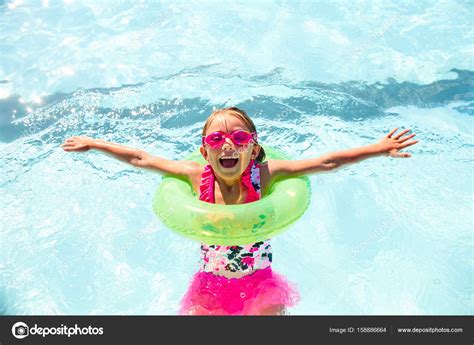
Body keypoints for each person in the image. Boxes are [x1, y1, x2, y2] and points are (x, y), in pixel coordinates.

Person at [62, 107, 419, 315]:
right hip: (210, 285)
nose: (228, 145)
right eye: (216, 140)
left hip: (261, 283)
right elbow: (142, 159)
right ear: (205, 152)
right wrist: (95, 144)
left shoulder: (265, 175)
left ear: (253, 149)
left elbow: (325, 163)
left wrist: (378, 148)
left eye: (240, 139)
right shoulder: (194, 176)